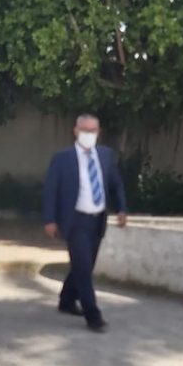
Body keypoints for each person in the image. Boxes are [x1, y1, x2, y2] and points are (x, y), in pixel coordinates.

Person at [42, 114, 128, 333]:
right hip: (75, 221)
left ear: (98, 132)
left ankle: (66, 300)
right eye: (84, 130)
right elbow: (51, 190)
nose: (89, 134)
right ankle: (93, 316)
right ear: (76, 131)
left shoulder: (106, 155)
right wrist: (50, 219)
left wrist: (121, 208)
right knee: (83, 268)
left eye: (93, 130)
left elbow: (115, 183)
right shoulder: (62, 158)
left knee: (85, 265)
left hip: (97, 219)